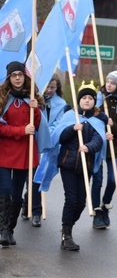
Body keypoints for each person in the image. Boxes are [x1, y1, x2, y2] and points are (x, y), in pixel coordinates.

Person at [44, 81, 107, 251]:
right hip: (68, 164)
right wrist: (73, 128)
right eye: (84, 98)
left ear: (95, 101)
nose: (87, 101)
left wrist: (89, 147)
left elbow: (98, 140)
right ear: (79, 100)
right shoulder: (71, 116)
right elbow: (61, 137)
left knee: (81, 203)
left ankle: (68, 227)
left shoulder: (96, 121)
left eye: (90, 98)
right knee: (71, 200)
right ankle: (67, 235)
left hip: (85, 166)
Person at [0, 61, 45, 247]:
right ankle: (3, 229)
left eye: (20, 74)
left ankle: (10, 229)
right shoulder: (2, 97)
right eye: (14, 75)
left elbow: (37, 127)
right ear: (9, 78)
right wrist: (20, 131)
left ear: (25, 76)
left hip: (25, 153)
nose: (17, 78)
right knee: (5, 192)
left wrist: (36, 110)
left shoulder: (32, 97)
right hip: (4, 152)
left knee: (18, 196)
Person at [20, 73, 69, 227]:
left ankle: (36, 211)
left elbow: (59, 124)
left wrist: (47, 134)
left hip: (49, 143)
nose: (49, 90)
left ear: (57, 88)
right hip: (31, 141)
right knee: (31, 177)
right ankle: (29, 206)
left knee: (37, 178)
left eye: (53, 88)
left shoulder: (61, 104)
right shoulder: (32, 101)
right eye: (47, 86)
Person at [91, 70, 117, 229]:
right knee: (98, 180)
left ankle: (106, 204)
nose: (109, 84)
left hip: (114, 146)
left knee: (113, 180)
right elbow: (89, 119)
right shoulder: (97, 98)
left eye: (113, 83)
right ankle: (96, 213)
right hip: (98, 144)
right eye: (108, 81)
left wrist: (113, 127)